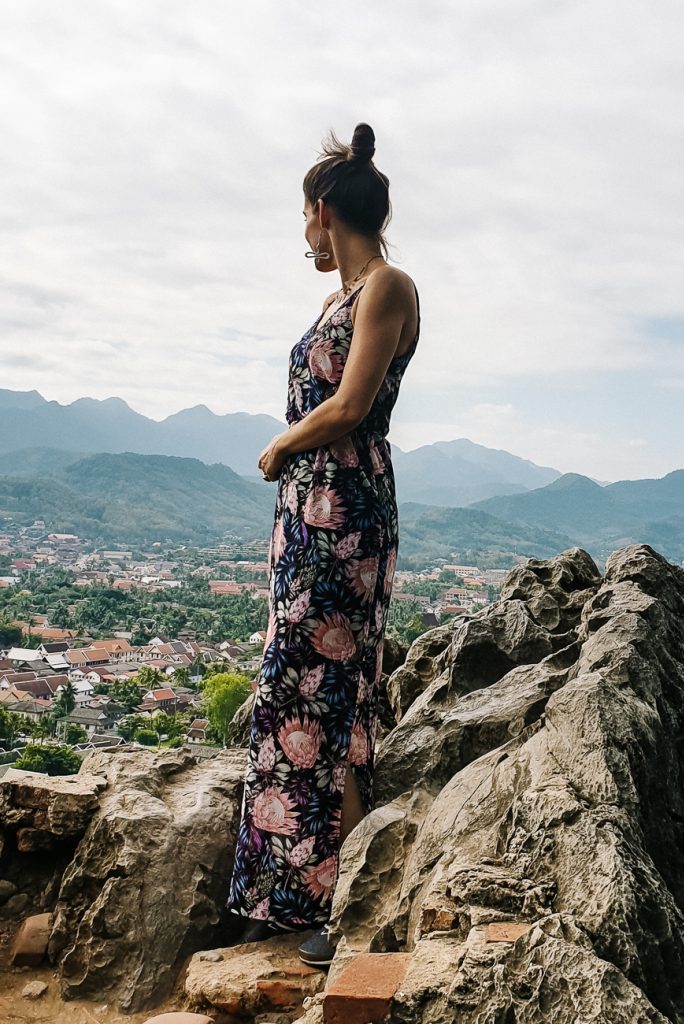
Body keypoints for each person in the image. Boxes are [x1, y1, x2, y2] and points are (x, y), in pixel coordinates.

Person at [225, 122, 420, 968]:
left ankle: (341, 904)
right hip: (310, 516)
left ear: (322, 211)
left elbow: (349, 405)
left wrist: (278, 448)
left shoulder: (387, 285)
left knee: (331, 697)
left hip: (342, 511)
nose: (301, 232)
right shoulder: (337, 298)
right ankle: (294, 890)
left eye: (303, 217)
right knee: (293, 688)